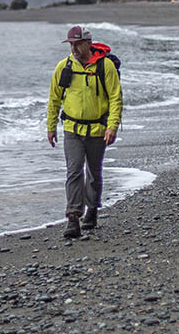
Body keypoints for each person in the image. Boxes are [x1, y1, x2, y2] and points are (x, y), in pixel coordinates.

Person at [46, 25, 122, 238]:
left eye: (78, 43)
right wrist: (51, 126)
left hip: (98, 129)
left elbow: (115, 97)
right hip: (71, 129)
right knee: (74, 171)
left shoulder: (104, 66)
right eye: (71, 44)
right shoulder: (64, 67)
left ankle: (92, 210)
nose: (74, 48)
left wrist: (112, 126)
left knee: (94, 173)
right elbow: (54, 98)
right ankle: (72, 217)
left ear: (88, 43)